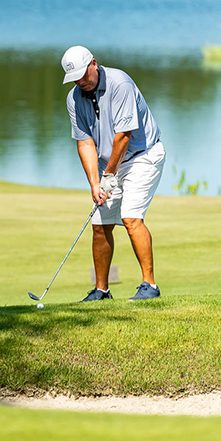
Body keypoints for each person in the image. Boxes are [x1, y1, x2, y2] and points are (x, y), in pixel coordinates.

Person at [62, 46, 166, 301]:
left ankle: (149, 286)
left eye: (83, 75)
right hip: (110, 164)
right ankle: (101, 290)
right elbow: (85, 142)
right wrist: (95, 183)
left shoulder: (120, 83)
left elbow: (123, 136)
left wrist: (108, 176)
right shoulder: (73, 98)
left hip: (142, 156)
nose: (80, 82)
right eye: (75, 78)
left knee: (131, 218)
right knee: (100, 226)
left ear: (94, 64)